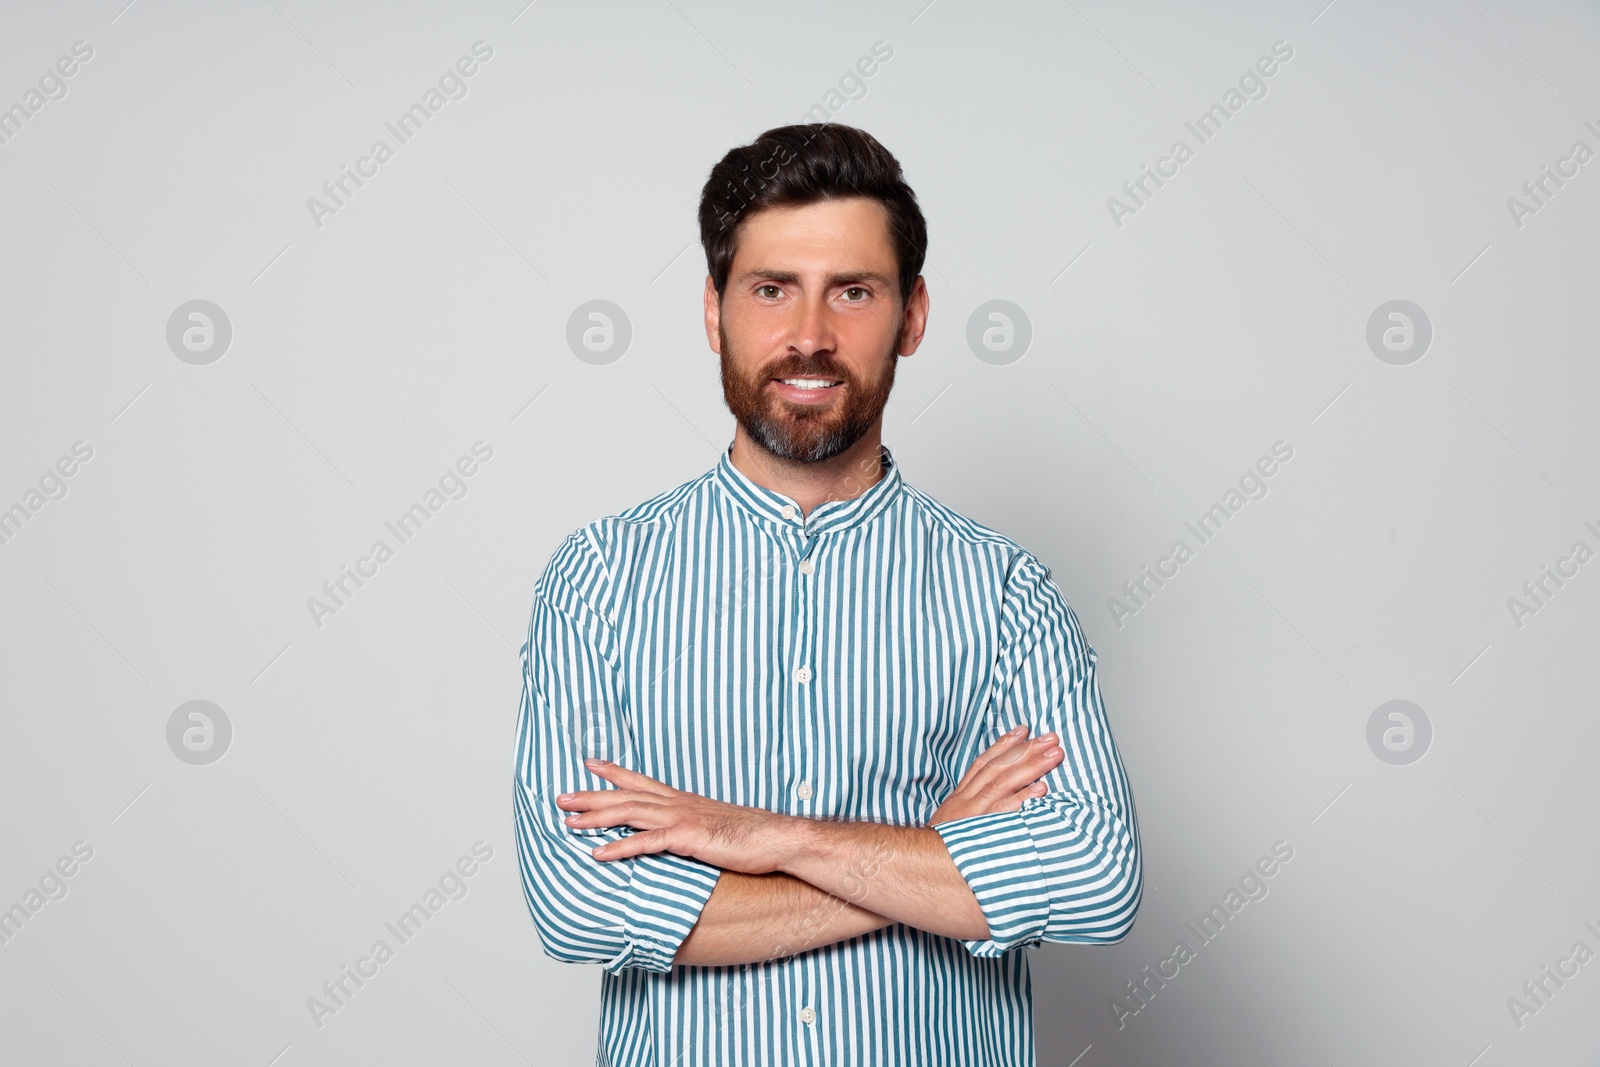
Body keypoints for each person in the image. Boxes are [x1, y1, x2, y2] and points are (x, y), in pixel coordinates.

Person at [514, 123, 1142, 1067]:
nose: (809, 335)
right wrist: (927, 850)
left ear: (914, 315)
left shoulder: (1007, 593)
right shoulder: (600, 581)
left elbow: (1094, 878)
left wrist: (765, 837)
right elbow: (580, 901)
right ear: (715, 312)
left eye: (853, 291)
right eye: (772, 289)